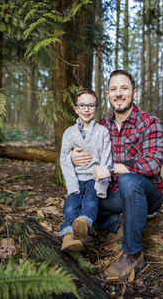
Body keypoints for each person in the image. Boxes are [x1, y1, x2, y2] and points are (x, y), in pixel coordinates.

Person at [71, 70, 163, 280]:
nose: (119, 93)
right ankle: (116, 224)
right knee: (80, 199)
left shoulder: (149, 123)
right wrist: (73, 156)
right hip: (114, 196)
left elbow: (152, 165)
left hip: (146, 193)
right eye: (114, 89)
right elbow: (83, 148)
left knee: (129, 180)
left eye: (124, 88)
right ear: (107, 95)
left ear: (134, 93)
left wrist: (114, 168)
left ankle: (133, 254)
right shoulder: (102, 126)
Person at [59, 89, 112, 252]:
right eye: (82, 105)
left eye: (90, 105)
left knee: (90, 201)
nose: (86, 109)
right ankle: (68, 236)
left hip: (95, 178)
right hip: (76, 178)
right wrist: (71, 185)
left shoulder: (102, 132)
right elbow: (64, 159)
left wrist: (102, 185)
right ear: (76, 109)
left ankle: (83, 225)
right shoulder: (69, 133)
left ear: (97, 109)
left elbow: (106, 159)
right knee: (71, 205)